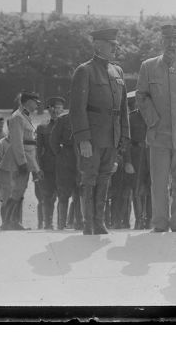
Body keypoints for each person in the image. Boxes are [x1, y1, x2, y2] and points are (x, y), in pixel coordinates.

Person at [137, 25, 176, 233]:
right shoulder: (148, 66)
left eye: (175, 39)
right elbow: (141, 95)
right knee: (158, 184)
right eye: (167, 39)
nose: (171, 43)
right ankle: (159, 224)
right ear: (161, 41)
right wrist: (153, 120)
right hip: (158, 136)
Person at [70, 28, 130, 235]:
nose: (116, 47)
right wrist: (83, 139)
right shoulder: (84, 71)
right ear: (97, 45)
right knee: (89, 178)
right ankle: (88, 223)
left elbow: (123, 110)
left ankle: (99, 221)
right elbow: (77, 108)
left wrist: (124, 136)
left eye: (116, 43)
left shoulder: (118, 71)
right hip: (93, 137)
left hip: (111, 136)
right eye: (110, 43)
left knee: (105, 178)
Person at [0, 91, 42, 230]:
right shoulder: (17, 117)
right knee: (15, 192)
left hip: (24, 160)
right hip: (17, 162)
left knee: (19, 192)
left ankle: (14, 222)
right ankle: (7, 223)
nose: (37, 105)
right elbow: (17, 143)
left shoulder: (24, 116)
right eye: (35, 102)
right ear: (28, 101)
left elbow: (29, 144)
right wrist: (22, 163)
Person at [50, 109, 83, 231]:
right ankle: (61, 224)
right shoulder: (63, 120)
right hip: (66, 160)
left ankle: (79, 223)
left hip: (82, 157)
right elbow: (53, 140)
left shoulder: (85, 118)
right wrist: (60, 154)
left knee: (80, 192)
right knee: (63, 194)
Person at [36, 97, 65, 229]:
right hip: (47, 167)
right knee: (48, 196)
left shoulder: (67, 125)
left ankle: (61, 223)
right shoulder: (42, 127)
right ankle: (48, 223)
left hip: (64, 166)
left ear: (62, 110)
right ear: (48, 110)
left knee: (63, 196)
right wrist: (38, 168)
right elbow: (38, 150)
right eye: (52, 108)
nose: (55, 110)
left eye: (58, 108)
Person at [126, 90, 152, 230]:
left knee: (152, 187)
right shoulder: (131, 118)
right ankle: (139, 220)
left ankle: (150, 219)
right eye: (139, 100)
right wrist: (128, 161)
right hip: (137, 155)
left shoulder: (155, 116)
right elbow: (127, 142)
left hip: (153, 154)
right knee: (136, 188)